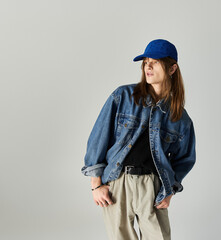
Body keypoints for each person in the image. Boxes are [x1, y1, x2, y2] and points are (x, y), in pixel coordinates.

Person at [81, 39, 196, 240]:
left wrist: (170, 190)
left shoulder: (180, 117)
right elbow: (98, 138)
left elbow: (185, 158)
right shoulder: (123, 96)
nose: (148, 66)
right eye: (145, 61)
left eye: (155, 61)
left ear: (172, 68)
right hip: (118, 182)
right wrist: (96, 183)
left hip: (153, 187)